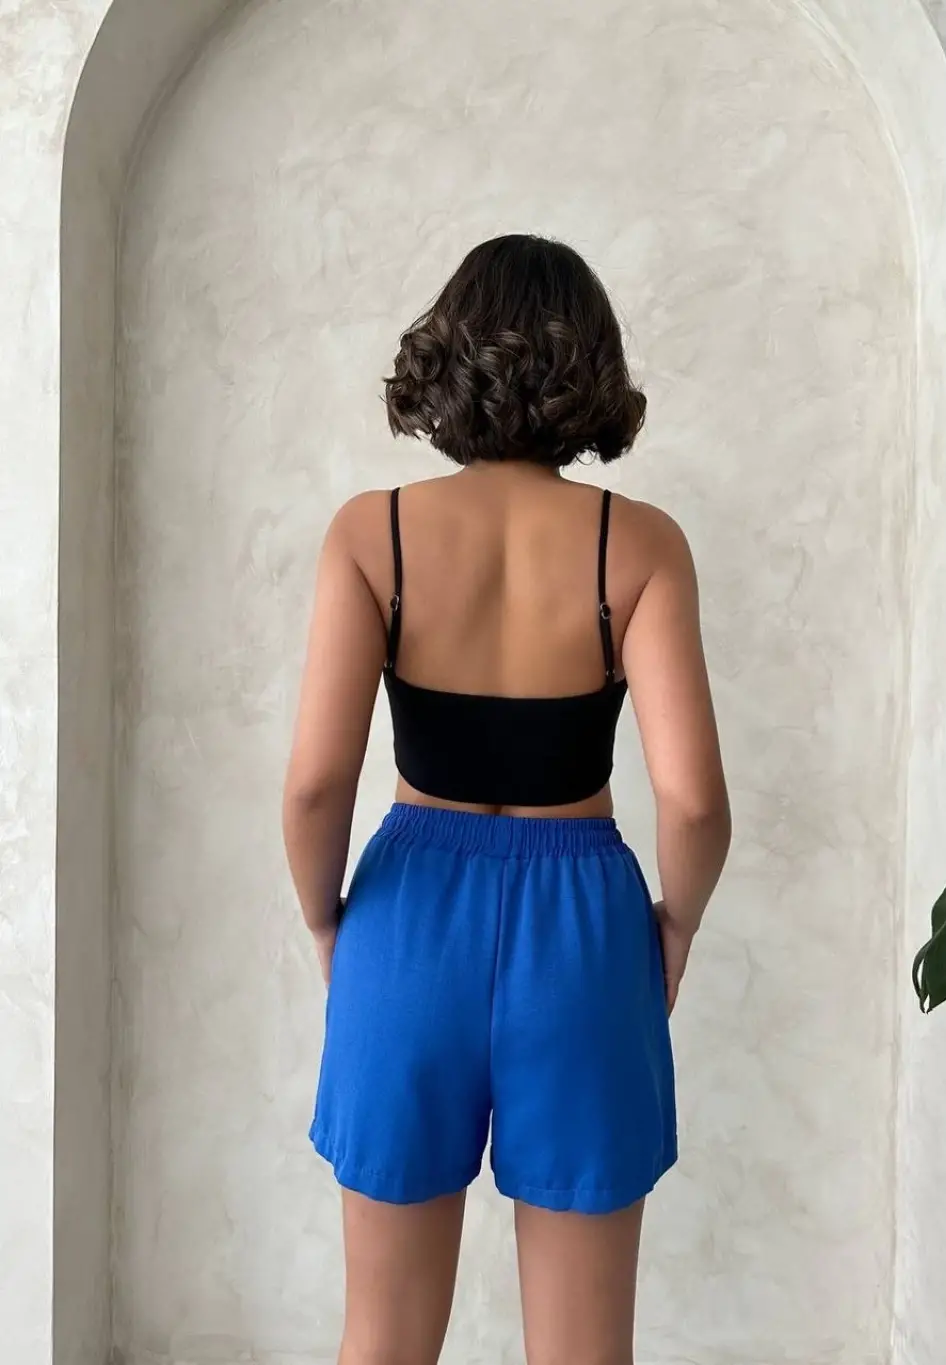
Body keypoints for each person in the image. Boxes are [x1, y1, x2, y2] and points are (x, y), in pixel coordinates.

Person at [282, 233, 731, 1365]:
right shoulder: (640, 545)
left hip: (405, 925)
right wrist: (674, 928)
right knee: (584, 1351)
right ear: (590, 367)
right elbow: (691, 800)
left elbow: (316, 783)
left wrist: (329, 922)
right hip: (584, 938)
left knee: (381, 1339)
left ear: (448, 354)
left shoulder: (371, 532)